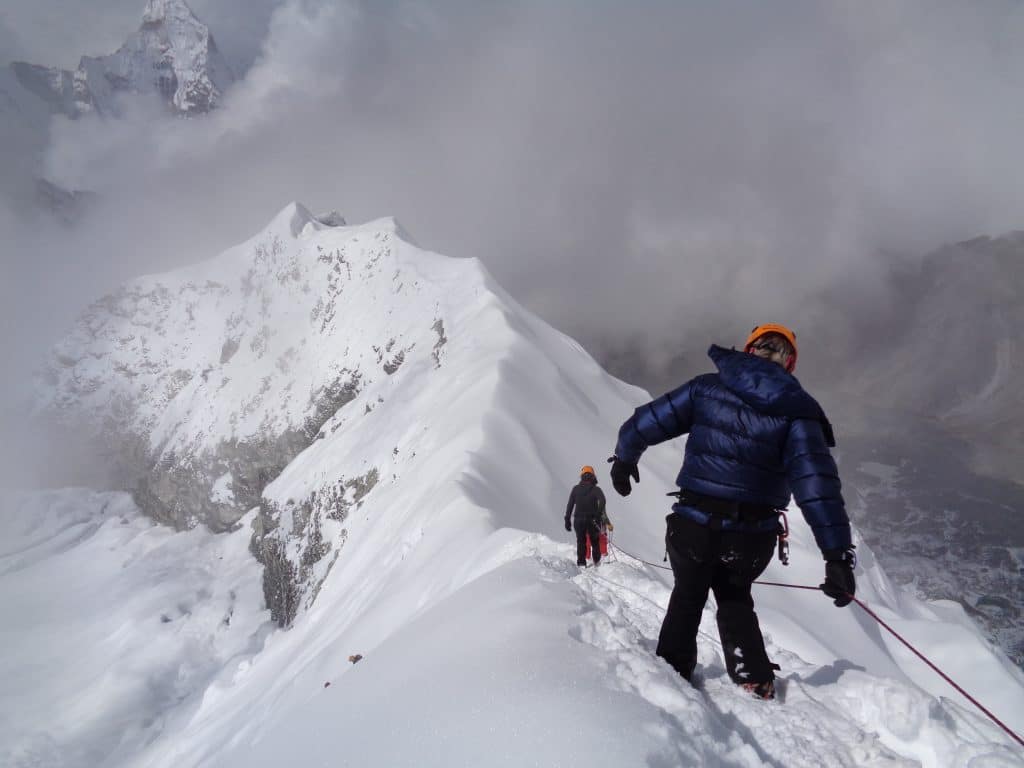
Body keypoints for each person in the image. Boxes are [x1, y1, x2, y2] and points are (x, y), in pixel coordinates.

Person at [607, 323, 856, 699]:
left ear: (748, 350)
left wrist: (625, 460)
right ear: (789, 363)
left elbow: (646, 422)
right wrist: (836, 555)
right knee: (735, 596)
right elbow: (817, 487)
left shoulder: (707, 388)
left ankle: (672, 673)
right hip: (752, 535)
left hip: (692, 523)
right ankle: (752, 676)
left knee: (687, 594)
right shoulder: (798, 413)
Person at [565, 465, 607, 567]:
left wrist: (567, 519)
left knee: (581, 542)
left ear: (582, 476)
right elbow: (603, 501)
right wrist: (598, 515)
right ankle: (596, 563)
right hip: (592, 520)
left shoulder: (575, 489)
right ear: (593, 476)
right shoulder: (596, 489)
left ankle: (581, 563)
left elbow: (570, 504)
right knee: (594, 542)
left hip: (578, 520)